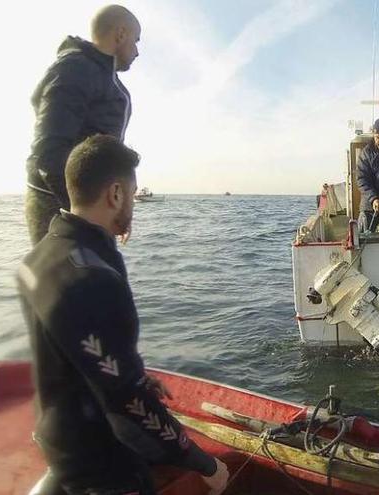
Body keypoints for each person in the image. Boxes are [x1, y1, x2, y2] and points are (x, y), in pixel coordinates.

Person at [17, 136, 228, 495]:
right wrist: (204, 463)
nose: (132, 204)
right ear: (115, 193)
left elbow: (73, 355)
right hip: (101, 464)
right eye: (131, 195)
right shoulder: (93, 277)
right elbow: (127, 402)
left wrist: (135, 374)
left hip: (57, 440)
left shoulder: (38, 258)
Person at [25, 5, 140, 246]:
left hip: (91, 214)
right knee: (76, 282)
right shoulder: (75, 68)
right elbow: (48, 150)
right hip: (63, 213)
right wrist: (83, 212)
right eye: (136, 40)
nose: (137, 51)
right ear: (120, 34)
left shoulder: (106, 77)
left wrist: (118, 206)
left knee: (102, 278)